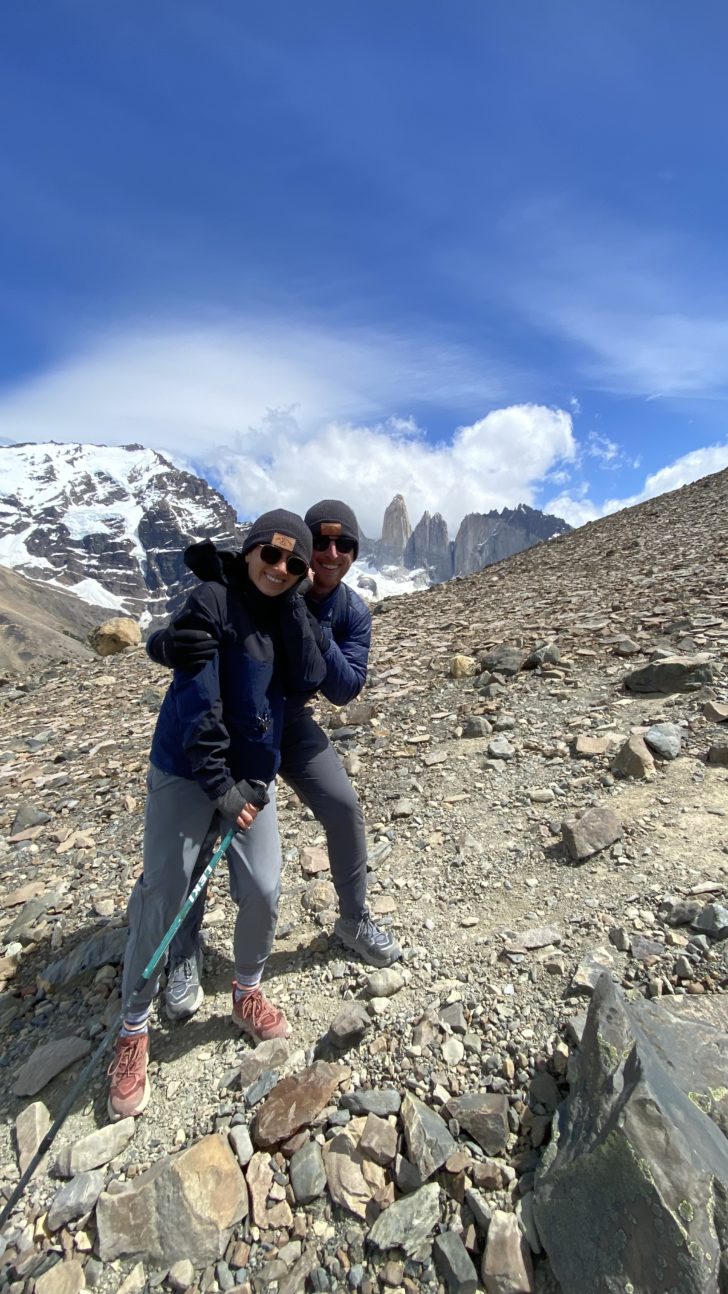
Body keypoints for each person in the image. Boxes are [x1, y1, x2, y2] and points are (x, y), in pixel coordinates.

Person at [107, 509, 326, 1121]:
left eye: (295, 564)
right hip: (188, 768)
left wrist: (292, 605)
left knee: (262, 886)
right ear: (251, 550)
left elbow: (310, 676)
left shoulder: (287, 613)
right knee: (167, 890)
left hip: (252, 775)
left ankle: (246, 991)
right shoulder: (210, 600)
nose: (280, 569)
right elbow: (197, 706)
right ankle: (133, 1027)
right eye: (271, 556)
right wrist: (224, 791)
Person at [149, 499, 401, 1024]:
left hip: (290, 722)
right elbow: (200, 620)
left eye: (345, 544)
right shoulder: (267, 574)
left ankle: (353, 919)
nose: (332, 554)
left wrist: (307, 618)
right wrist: (165, 644)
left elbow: (344, 687)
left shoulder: (350, 611)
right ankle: (183, 950)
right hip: (241, 726)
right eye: (322, 542)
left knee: (342, 805)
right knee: (203, 841)